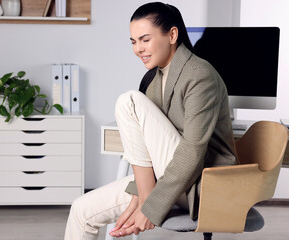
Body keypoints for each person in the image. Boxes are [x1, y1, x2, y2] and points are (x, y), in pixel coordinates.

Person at [64, 2, 237, 239]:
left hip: (205, 188)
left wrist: (150, 206)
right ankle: (144, 195)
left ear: (172, 34)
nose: (138, 49)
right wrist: (139, 193)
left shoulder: (199, 75)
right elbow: (147, 150)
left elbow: (192, 151)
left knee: (129, 101)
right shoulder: (153, 79)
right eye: (134, 42)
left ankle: (147, 197)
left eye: (145, 39)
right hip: (169, 181)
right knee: (81, 210)